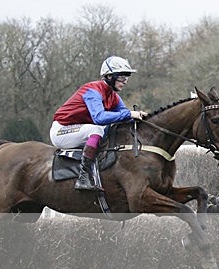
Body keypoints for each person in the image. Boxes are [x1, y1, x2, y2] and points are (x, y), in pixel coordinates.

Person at [50, 56, 147, 191]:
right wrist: (130, 114)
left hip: (80, 131)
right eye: (122, 77)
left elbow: (125, 115)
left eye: (127, 77)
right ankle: (83, 178)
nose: (125, 81)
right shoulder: (92, 90)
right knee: (97, 129)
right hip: (62, 131)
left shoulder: (113, 96)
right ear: (109, 76)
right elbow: (99, 117)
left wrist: (142, 118)